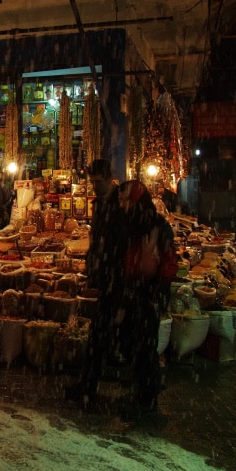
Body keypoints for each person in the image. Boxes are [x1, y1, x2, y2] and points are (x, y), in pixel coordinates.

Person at [113, 180, 177, 418]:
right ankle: (143, 393)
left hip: (148, 293)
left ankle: (147, 402)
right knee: (134, 343)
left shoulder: (153, 225)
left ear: (136, 201)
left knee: (144, 346)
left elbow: (167, 263)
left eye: (125, 200)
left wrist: (155, 292)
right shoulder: (131, 223)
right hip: (136, 291)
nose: (121, 204)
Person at [70, 158, 123, 404]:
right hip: (105, 275)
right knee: (102, 330)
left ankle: (91, 384)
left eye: (98, 183)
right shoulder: (101, 202)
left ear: (109, 177)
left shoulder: (120, 203)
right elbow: (98, 237)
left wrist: (107, 264)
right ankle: (92, 382)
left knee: (102, 331)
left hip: (117, 275)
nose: (95, 187)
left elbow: (117, 241)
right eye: (92, 183)